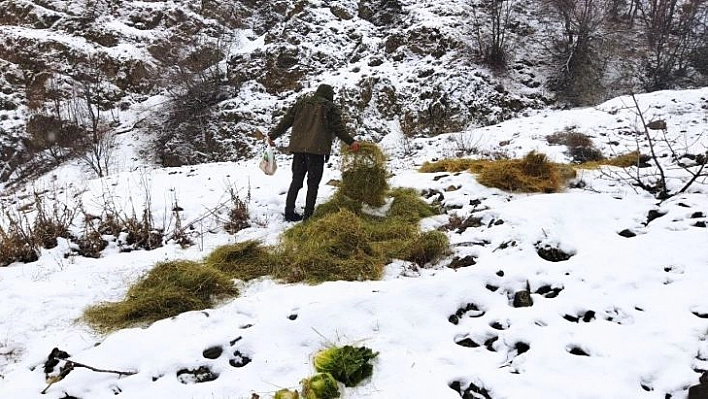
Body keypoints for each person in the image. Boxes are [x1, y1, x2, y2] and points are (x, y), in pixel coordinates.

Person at [268, 84, 361, 222]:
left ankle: (289, 212)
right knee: (313, 184)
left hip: (299, 150)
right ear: (329, 95)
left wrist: (272, 136)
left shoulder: (301, 103)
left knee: (296, 181)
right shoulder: (330, 107)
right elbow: (338, 129)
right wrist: (351, 142)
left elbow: (286, 121)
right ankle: (308, 216)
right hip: (316, 152)